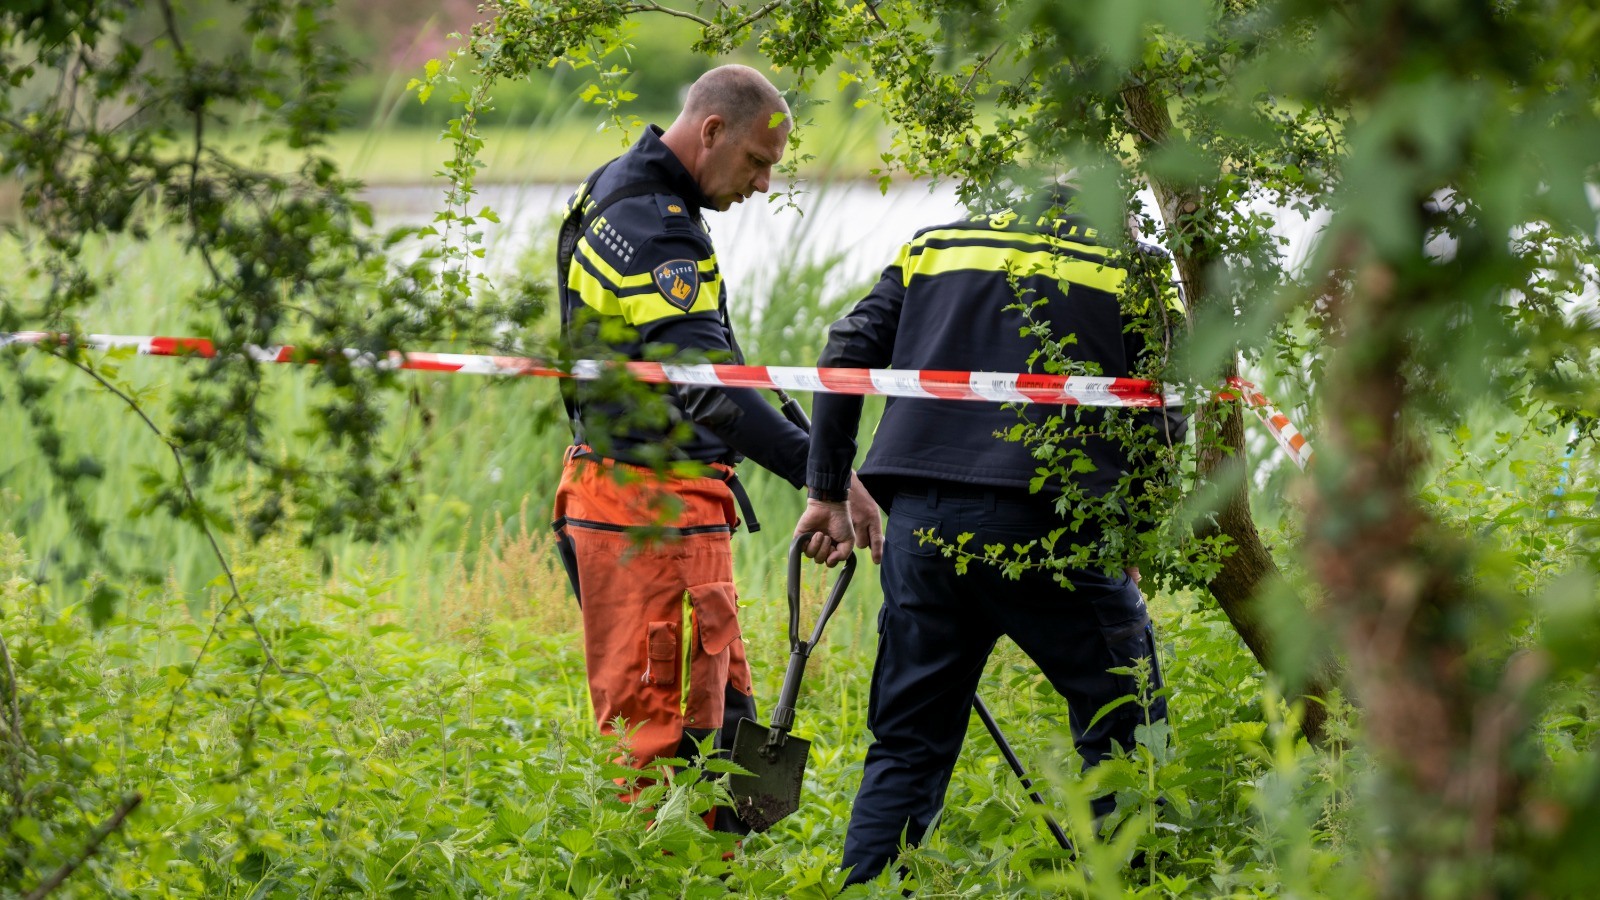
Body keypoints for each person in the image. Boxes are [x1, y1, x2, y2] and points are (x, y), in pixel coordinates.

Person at [795, 185, 1187, 881]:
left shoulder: (936, 246)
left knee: (907, 744)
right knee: (1128, 732)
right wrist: (1136, 535)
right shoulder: (1138, 270)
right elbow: (1168, 410)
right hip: (1058, 531)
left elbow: (845, 350)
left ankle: (868, 890)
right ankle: (1132, 887)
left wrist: (827, 487)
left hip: (924, 530)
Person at [550, 64, 883, 833]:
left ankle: (740, 872)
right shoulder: (655, 228)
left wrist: (831, 473)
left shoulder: (625, 189)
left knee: (728, 721)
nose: (763, 185)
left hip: (648, 504)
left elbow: (710, 372)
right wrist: (826, 479)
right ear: (712, 131)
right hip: (649, 514)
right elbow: (712, 394)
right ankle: (667, 879)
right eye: (758, 163)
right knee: (666, 744)